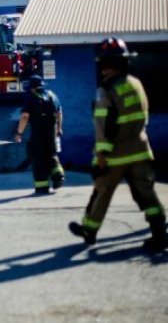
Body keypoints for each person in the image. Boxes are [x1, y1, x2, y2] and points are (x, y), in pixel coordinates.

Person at [69, 38, 166, 252]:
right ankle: (160, 234)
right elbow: (143, 117)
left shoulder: (106, 91)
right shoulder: (136, 84)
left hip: (114, 156)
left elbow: (102, 126)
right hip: (141, 150)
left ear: (105, 65)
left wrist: (101, 156)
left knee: (101, 193)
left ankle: (89, 231)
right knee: (146, 194)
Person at [14, 75, 65, 194]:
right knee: (51, 154)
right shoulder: (52, 95)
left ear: (32, 87)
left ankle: (42, 187)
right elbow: (59, 112)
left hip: (38, 133)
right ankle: (58, 175)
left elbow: (25, 116)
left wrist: (19, 133)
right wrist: (59, 128)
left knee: (38, 159)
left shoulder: (31, 98)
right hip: (51, 132)